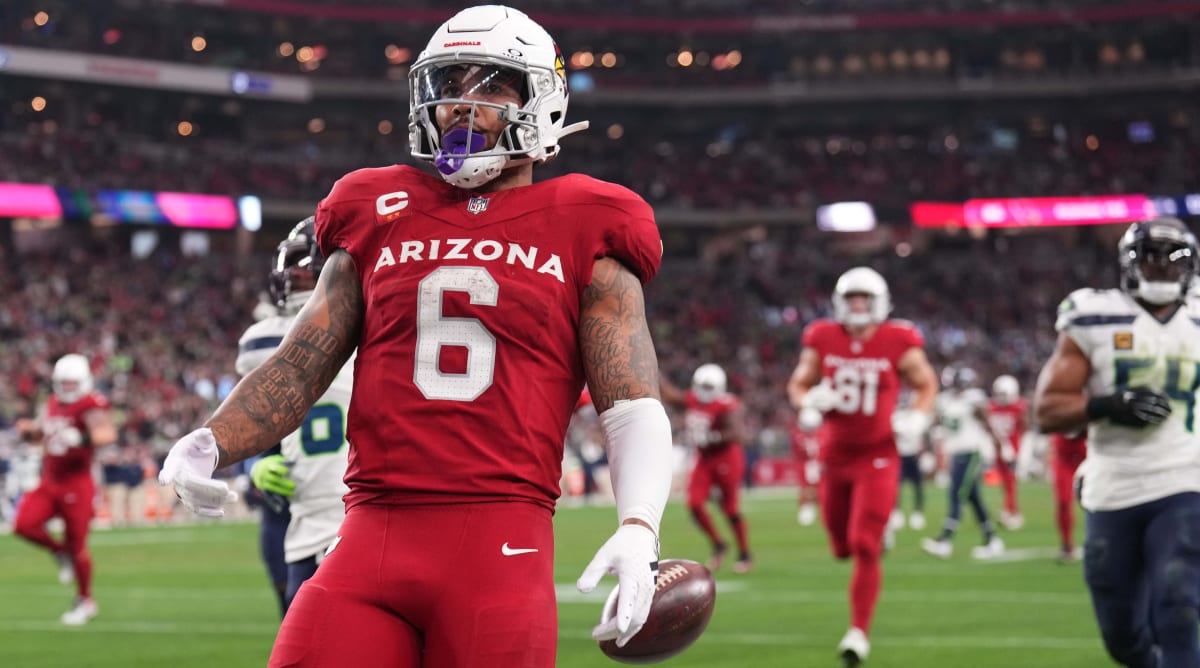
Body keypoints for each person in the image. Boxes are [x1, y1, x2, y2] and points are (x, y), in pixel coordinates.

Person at [158, 6, 673, 667]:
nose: (464, 104)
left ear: (540, 101)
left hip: (501, 540)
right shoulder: (376, 207)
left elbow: (629, 400)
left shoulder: (588, 219)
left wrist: (639, 525)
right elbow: (300, 365)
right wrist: (210, 442)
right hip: (370, 532)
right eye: (449, 84)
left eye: (490, 86)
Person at [1034, 216, 1200, 668]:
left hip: (1187, 478)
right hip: (1114, 484)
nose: (1163, 269)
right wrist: (1107, 405)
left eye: (1174, 260)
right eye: (1152, 258)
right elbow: (1046, 411)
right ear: (1130, 264)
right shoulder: (1094, 315)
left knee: (1179, 600)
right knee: (1123, 637)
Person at [786, 266, 938, 667]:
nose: (857, 306)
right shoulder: (822, 335)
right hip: (835, 457)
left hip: (878, 455)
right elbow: (799, 382)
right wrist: (807, 404)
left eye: (863, 299)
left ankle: (858, 633)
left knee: (863, 545)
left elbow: (925, 384)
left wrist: (918, 417)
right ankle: (874, 528)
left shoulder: (898, 338)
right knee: (840, 547)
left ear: (879, 303)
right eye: (851, 298)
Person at [238, 218, 355, 616]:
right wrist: (258, 461)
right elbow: (262, 414)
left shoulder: (371, 325)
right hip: (298, 497)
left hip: (356, 497)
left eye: (305, 270)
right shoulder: (264, 338)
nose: (293, 278)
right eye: (291, 269)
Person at [13, 353, 117, 625]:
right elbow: (40, 435)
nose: (68, 389)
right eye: (64, 383)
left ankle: (85, 600)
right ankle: (60, 552)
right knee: (23, 524)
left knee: (78, 544)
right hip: (50, 480)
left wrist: (82, 438)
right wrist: (28, 432)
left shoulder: (91, 404)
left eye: (73, 383)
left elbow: (107, 434)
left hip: (77, 481)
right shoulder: (52, 403)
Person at [660, 363, 753, 573]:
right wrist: (653, 371)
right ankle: (718, 543)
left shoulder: (727, 404)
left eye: (709, 386)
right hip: (704, 458)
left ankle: (745, 552)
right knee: (694, 503)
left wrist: (714, 436)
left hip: (726, 458)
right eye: (702, 385)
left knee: (730, 508)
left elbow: (738, 433)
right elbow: (671, 395)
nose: (705, 391)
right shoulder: (693, 399)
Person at [920, 366, 1006, 560]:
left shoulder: (973, 399)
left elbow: (986, 422)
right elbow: (937, 421)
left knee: (956, 493)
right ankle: (992, 540)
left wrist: (1000, 446)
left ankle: (945, 541)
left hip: (971, 453)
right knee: (973, 498)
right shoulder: (946, 401)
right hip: (956, 453)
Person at [987, 374, 1027, 529]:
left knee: (1010, 482)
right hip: (999, 450)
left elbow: (1024, 428)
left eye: (1004, 394)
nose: (1001, 397)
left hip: (1012, 450)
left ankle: (1012, 512)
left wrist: (1019, 450)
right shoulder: (992, 407)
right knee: (1005, 482)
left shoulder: (1018, 407)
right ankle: (1009, 510)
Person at [1050, 429, 1087, 563]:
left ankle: (1100, 539)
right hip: (1064, 458)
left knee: (1096, 501)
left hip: (1086, 455)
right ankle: (1066, 544)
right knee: (1063, 501)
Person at [889, 405, 927, 532]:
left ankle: (918, 512)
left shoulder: (916, 419)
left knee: (918, 485)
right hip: (900, 455)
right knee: (897, 485)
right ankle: (896, 512)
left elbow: (921, 435)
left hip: (913, 455)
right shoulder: (896, 418)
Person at [791, 420, 820, 526]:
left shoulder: (818, 433)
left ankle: (812, 508)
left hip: (815, 462)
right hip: (806, 463)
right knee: (805, 487)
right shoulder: (799, 435)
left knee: (816, 488)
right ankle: (805, 508)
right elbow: (801, 451)